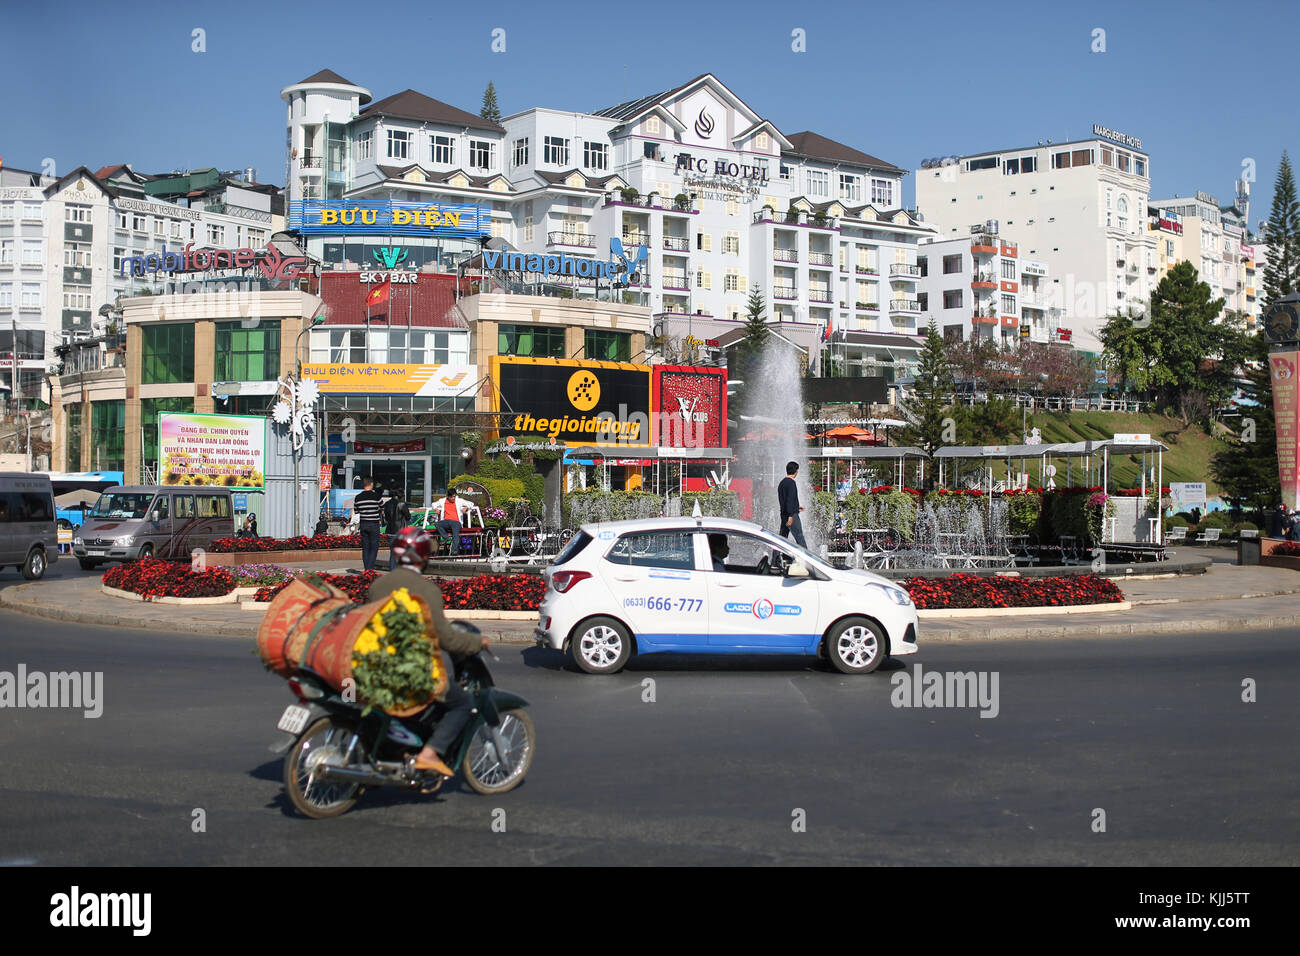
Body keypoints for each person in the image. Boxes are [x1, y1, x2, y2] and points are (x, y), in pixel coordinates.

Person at [369, 528, 490, 778]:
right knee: (462, 702)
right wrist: (477, 642)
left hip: (375, 667)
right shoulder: (426, 591)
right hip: (410, 672)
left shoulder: (378, 585)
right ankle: (430, 754)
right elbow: (446, 638)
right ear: (422, 557)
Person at [351, 477, 384, 571]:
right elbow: (382, 507)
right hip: (374, 523)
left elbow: (356, 511)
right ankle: (369, 569)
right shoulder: (376, 496)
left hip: (364, 524)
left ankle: (366, 569)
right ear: (371, 484)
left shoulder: (358, 497)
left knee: (365, 547)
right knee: (374, 547)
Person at [430, 487, 473, 555]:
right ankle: (446, 537)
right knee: (438, 524)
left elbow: (471, 503)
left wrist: (466, 507)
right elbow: (433, 504)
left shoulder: (459, 500)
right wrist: (435, 509)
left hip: (456, 521)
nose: (454, 498)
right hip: (446, 521)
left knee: (456, 534)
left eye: (455, 496)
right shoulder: (443, 501)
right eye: (452, 497)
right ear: (448, 496)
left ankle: (454, 551)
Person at [778, 460, 807, 548]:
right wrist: (791, 515)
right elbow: (789, 500)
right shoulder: (791, 483)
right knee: (799, 537)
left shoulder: (782, 483)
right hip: (792, 516)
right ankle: (807, 558)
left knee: (782, 538)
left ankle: (776, 558)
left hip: (784, 514)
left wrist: (797, 507)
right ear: (796, 471)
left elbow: (785, 500)